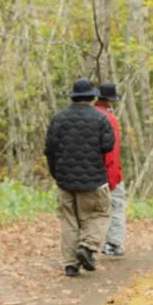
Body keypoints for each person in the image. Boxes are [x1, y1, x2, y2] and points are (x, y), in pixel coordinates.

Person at [44, 78, 115, 277]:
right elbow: (108, 146)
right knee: (100, 214)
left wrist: (56, 173)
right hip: (94, 180)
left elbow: (49, 149)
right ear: (92, 96)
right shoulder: (101, 119)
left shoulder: (59, 119)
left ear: (74, 97)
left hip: (65, 180)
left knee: (69, 220)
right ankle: (87, 246)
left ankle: (70, 264)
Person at [95, 82, 126, 257]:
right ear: (110, 101)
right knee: (116, 206)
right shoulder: (109, 119)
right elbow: (112, 152)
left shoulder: (90, 114)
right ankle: (113, 243)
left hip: (89, 172)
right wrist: (114, 178)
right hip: (107, 171)